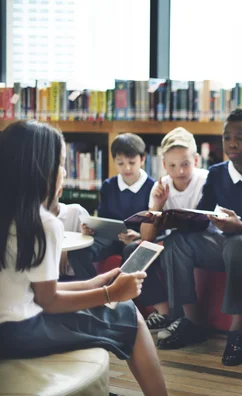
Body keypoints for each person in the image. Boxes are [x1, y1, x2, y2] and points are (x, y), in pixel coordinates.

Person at [0, 120, 167, 396]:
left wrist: (95, 283)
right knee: (129, 315)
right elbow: (48, 301)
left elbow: (32, 291)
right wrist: (110, 293)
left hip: (9, 325)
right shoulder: (42, 223)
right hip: (19, 331)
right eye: (62, 164)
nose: (64, 172)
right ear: (44, 170)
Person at [145, 109, 242, 368]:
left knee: (237, 243)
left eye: (240, 137)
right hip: (220, 244)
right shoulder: (218, 173)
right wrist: (173, 219)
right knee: (176, 240)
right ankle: (190, 320)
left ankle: (237, 330)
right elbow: (202, 215)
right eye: (227, 137)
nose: (232, 143)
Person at [136, 127, 209, 333]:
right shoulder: (161, 186)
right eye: (173, 165)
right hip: (172, 243)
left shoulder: (205, 180)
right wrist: (157, 206)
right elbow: (147, 237)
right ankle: (163, 311)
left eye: (185, 164)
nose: (180, 171)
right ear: (164, 165)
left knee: (172, 244)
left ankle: (186, 319)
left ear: (196, 160)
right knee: (137, 250)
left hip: (202, 243)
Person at [68, 133, 155, 280]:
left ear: (142, 159)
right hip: (110, 238)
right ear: (114, 161)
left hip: (137, 239)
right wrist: (91, 229)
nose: (127, 168)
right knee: (77, 252)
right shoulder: (109, 185)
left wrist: (139, 236)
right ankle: (94, 292)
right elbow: (103, 219)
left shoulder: (152, 187)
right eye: (120, 163)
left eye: (132, 162)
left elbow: (156, 226)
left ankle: (120, 296)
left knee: (131, 250)